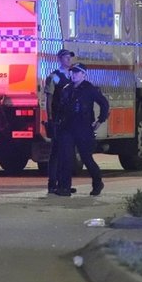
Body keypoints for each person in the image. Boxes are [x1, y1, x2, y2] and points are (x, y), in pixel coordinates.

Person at [54, 63, 109, 197]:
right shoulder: (67, 89)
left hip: (83, 128)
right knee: (66, 158)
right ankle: (64, 188)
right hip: (67, 128)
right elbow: (60, 108)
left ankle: (97, 183)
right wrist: (57, 123)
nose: (74, 74)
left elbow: (104, 103)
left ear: (84, 74)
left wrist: (100, 120)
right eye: (73, 72)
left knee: (86, 158)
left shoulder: (89, 89)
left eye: (77, 72)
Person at [43, 49, 76, 194]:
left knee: (67, 152)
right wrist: (50, 118)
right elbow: (49, 99)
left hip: (69, 119)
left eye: (70, 57)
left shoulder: (73, 76)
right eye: (66, 57)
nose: (69, 60)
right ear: (60, 59)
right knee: (56, 152)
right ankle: (52, 184)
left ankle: (64, 184)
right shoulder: (54, 77)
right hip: (57, 118)